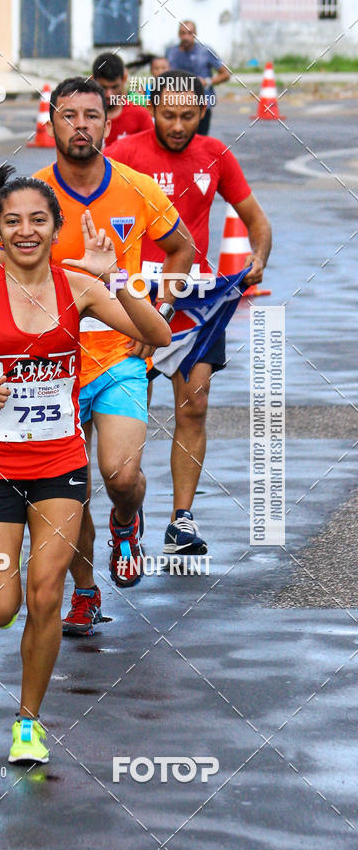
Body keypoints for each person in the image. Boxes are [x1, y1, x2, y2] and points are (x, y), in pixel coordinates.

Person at [0, 165, 171, 764]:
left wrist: (119, 280)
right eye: (12, 221)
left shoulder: (80, 285)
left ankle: (28, 722)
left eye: (38, 220)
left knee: (46, 593)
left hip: (59, 465)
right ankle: (18, 583)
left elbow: (156, 332)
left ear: (56, 228)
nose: (26, 231)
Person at [0, 77, 194, 638]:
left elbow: (181, 249)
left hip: (119, 354)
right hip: (48, 371)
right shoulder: (31, 197)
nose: (80, 125)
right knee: (66, 487)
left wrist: (161, 312)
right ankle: (86, 592)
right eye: (67, 115)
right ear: (50, 124)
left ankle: (129, 520)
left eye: (91, 115)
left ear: (109, 123)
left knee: (120, 475)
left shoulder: (136, 187)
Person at [108, 70, 272, 556]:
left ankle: (181, 520)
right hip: (136, 302)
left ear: (203, 112)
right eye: (168, 114)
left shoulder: (216, 154)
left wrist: (259, 257)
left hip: (196, 304)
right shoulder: (125, 154)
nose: (178, 125)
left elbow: (257, 221)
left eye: (188, 115)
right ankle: (127, 507)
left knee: (194, 407)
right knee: (128, 412)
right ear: (152, 110)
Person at [166, 20, 230, 135]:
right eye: (183, 33)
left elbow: (226, 74)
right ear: (178, 35)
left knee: (200, 141)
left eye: (189, 33)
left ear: (195, 34)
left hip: (202, 104)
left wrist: (207, 81)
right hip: (177, 104)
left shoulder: (205, 51)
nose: (186, 37)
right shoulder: (171, 52)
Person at [92, 52, 153, 148]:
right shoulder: (81, 118)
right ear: (92, 80)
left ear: (124, 78)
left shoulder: (140, 115)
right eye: (103, 87)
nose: (109, 94)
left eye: (114, 87)